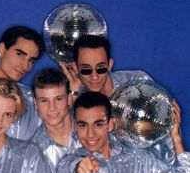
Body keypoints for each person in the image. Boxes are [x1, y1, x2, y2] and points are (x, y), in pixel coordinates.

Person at [61, 35, 182, 163]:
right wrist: (73, 95)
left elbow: (164, 134)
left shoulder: (138, 84)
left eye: (101, 68)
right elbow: (68, 149)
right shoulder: (75, 100)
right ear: (75, 68)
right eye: (86, 70)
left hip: (149, 171)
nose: (94, 77)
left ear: (110, 64)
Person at [57, 91, 190, 173]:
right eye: (83, 125)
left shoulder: (141, 160)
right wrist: (79, 172)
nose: (90, 134)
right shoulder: (67, 163)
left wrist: (176, 138)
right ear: (75, 126)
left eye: (98, 124)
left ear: (110, 125)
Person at [31, 68, 81, 173]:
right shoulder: (33, 154)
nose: (51, 108)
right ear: (36, 103)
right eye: (44, 101)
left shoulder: (92, 128)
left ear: (69, 99)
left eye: (58, 99)